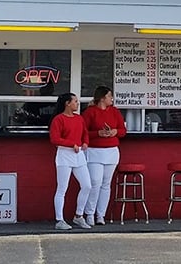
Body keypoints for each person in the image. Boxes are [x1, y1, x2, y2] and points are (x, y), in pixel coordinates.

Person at [82, 85, 126, 226]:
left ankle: (101, 214)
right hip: (94, 151)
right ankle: (89, 213)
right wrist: (97, 134)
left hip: (111, 150)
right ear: (102, 98)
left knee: (106, 184)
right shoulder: (90, 112)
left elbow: (123, 130)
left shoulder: (114, 111)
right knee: (95, 182)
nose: (112, 98)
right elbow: (83, 132)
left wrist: (115, 132)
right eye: (109, 96)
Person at [49, 92, 92, 230]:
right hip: (64, 154)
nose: (77, 103)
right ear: (67, 103)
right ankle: (59, 220)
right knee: (62, 188)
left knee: (87, 185)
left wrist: (85, 142)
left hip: (79, 154)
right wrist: (70, 144)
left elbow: (85, 133)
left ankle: (79, 215)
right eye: (75, 101)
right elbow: (55, 139)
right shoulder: (58, 119)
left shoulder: (79, 119)